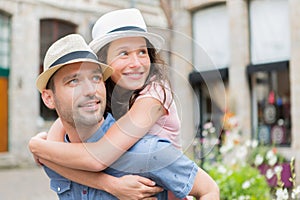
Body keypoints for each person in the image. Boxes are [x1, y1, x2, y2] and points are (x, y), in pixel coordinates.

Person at [29, 9, 219, 200]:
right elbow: (54, 151)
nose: (136, 63)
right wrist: (111, 185)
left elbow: (97, 157)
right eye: (124, 53)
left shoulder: (153, 96)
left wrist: (37, 147)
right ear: (105, 63)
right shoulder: (99, 97)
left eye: (142, 52)